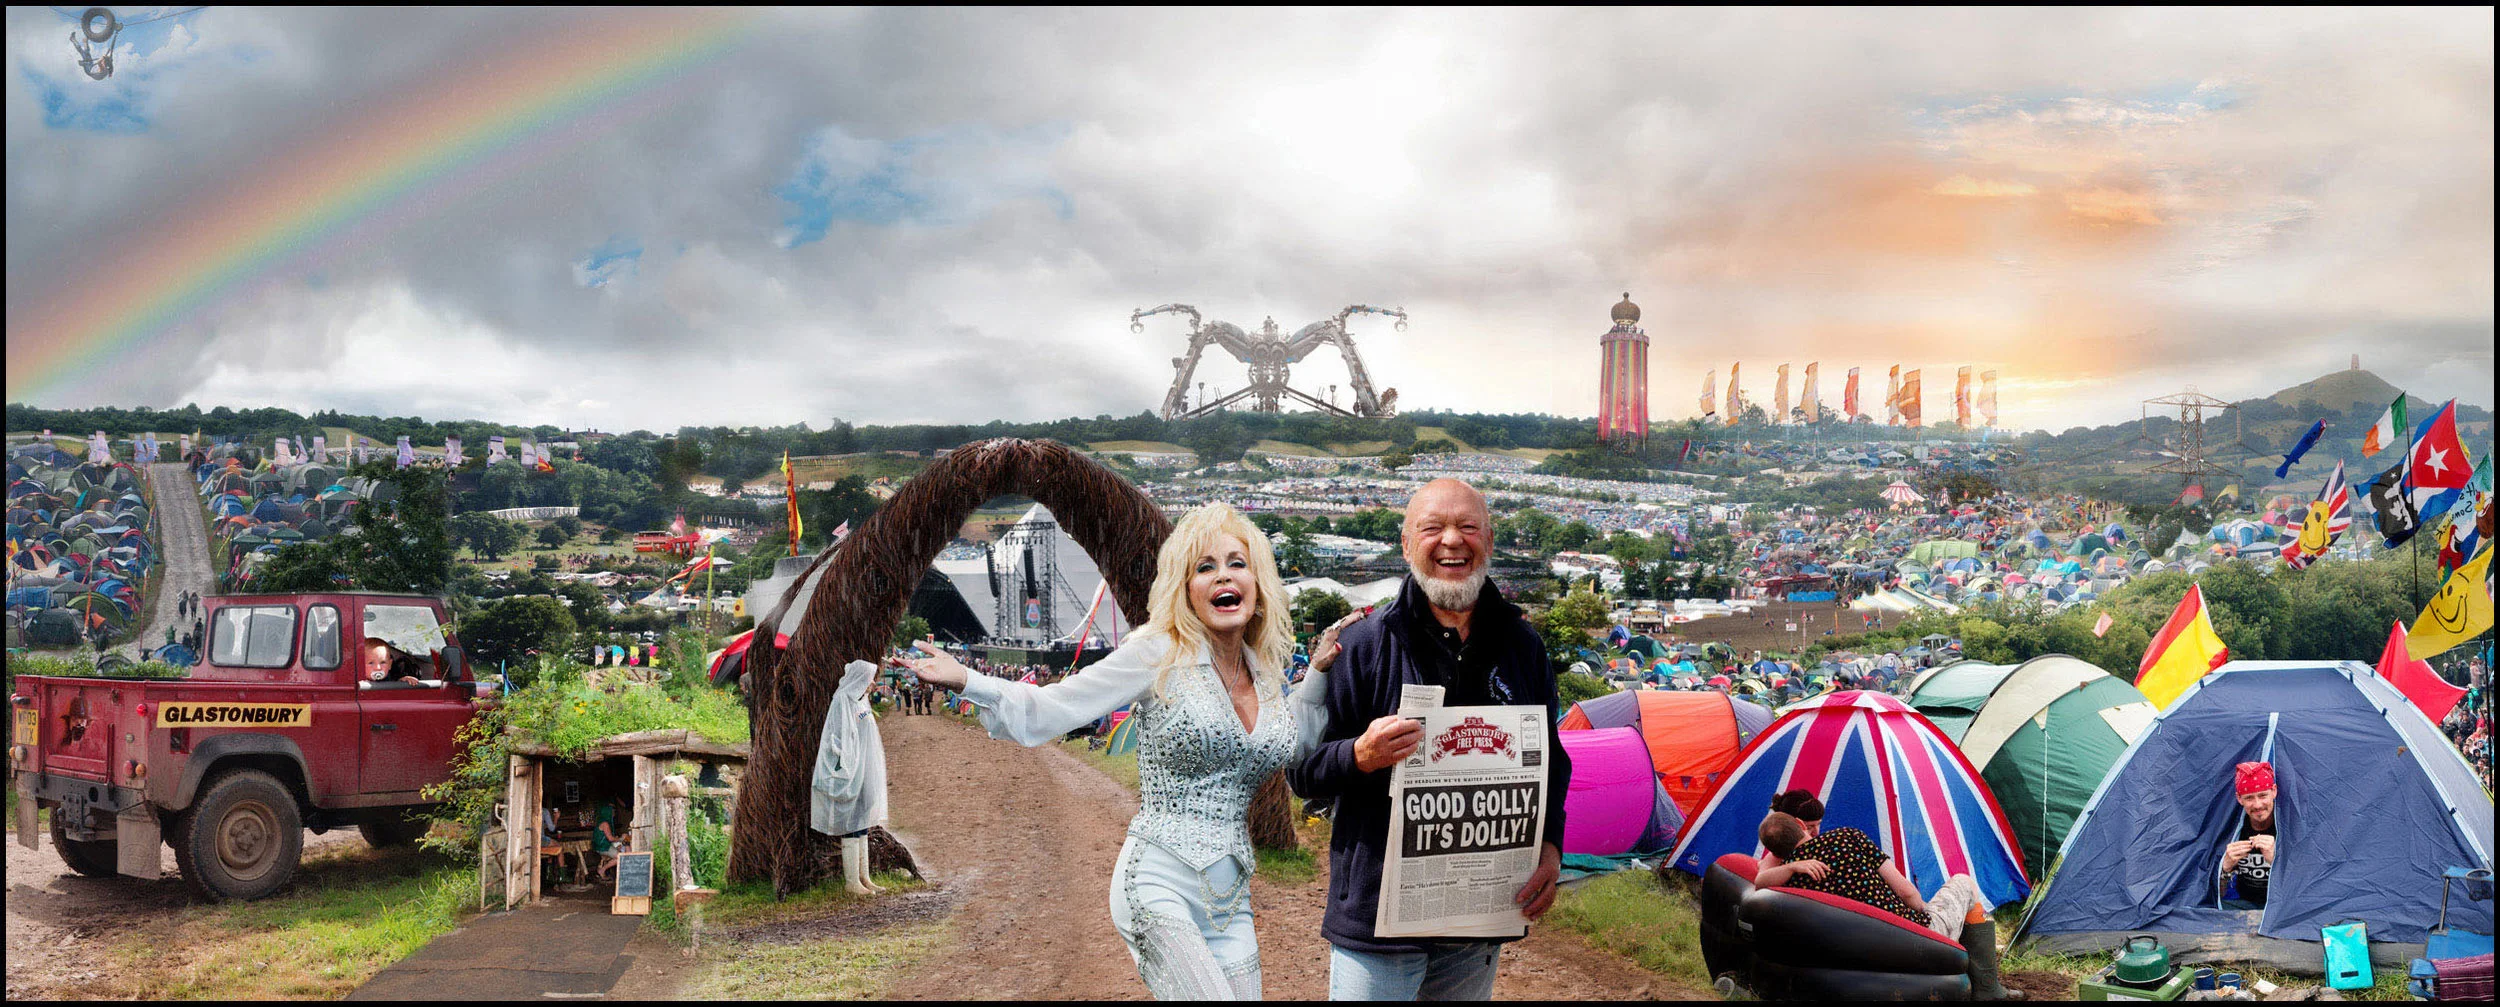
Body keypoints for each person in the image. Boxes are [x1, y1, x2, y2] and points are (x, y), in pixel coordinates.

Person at [902, 502, 1339, 1000]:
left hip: (1231, 898)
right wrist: (969, 680)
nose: (1225, 576)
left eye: (1237, 563)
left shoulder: (1263, 672)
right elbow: (1055, 707)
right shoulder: (1157, 653)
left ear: (1258, 584)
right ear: (1185, 589)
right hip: (1158, 884)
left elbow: (1293, 744)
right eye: (1205, 567)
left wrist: (1319, 675)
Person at [1288, 478, 1573, 1001]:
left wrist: (1551, 847)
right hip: (1376, 920)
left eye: (1468, 527)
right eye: (1433, 528)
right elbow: (1302, 774)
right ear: (1405, 544)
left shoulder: (1523, 646)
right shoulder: (1360, 645)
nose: (1451, 541)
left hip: (1477, 917)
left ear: (1488, 541)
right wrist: (1358, 755)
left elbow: (1553, 762)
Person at [812, 660, 889, 895]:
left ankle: (864, 877)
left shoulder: (860, 700)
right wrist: (844, 762)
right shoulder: (842, 700)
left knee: (862, 820)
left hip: (865, 767)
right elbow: (835, 736)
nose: (872, 683)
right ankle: (851, 881)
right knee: (849, 821)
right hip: (850, 768)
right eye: (869, 678)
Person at [2220, 761, 2276, 910]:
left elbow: (2305, 890)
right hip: (2243, 905)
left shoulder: (2289, 827)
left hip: (2282, 906)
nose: (2257, 805)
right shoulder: (2230, 827)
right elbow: (2215, 894)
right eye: (2249, 798)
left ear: (2274, 792)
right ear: (2239, 798)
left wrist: (2276, 860)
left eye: (2263, 795)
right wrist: (2225, 868)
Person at [591, 802, 630, 882]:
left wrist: (618, 841)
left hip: (604, 845)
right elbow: (610, 839)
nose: (614, 813)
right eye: (612, 811)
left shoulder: (603, 821)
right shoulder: (605, 824)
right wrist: (621, 839)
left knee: (621, 851)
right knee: (621, 857)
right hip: (603, 847)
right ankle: (602, 870)